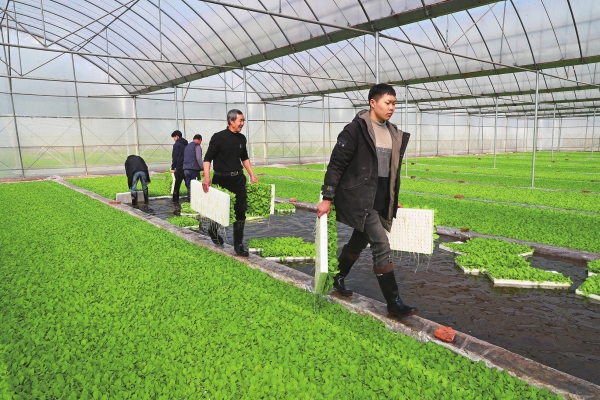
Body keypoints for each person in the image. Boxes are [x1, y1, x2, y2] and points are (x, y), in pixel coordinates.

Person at [316, 84, 418, 319]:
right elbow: (336, 164)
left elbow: (389, 171)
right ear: (373, 103)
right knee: (381, 245)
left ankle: (337, 276)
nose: (392, 107)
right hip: (361, 197)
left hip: (380, 197)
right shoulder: (355, 130)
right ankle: (394, 302)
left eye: (394, 103)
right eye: (387, 103)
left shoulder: (393, 132)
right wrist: (327, 198)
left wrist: (393, 198)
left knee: (358, 241)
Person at [202, 109, 259, 256]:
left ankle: (238, 245)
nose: (242, 123)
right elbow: (207, 159)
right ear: (231, 121)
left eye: (243, 120)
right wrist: (207, 177)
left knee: (240, 210)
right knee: (219, 210)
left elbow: (244, 158)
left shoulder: (241, 138)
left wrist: (252, 175)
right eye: (240, 120)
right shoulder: (218, 137)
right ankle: (212, 230)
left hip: (238, 178)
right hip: (221, 179)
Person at [183, 134, 203, 201]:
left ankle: (189, 200)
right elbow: (199, 158)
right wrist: (202, 168)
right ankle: (195, 201)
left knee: (189, 187)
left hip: (185, 169)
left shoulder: (187, 146)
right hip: (193, 169)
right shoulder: (197, 146)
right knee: (196, 186)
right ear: (200, 140)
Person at [170, 130, 188, 202]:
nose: (174, 139)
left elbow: (175, 157)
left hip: (180, 167)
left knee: (177, 185)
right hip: (187, 167)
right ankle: (191, 199)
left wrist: (173, 167)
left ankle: (175, 201)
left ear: (177, 136)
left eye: (174, 137)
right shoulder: (186, 144)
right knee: (188, 184)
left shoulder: (177, 145)